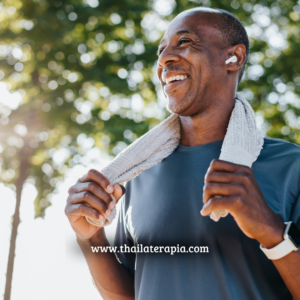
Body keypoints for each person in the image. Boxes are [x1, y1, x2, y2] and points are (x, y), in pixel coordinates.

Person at [65, 7, 300, 300]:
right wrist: (90, 238)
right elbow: (129, 296)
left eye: (185, 42)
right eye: (161, 50)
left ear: (233, 58)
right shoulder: (137, 176)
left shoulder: (291, 167)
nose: (164, 59)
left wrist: (272, 234)